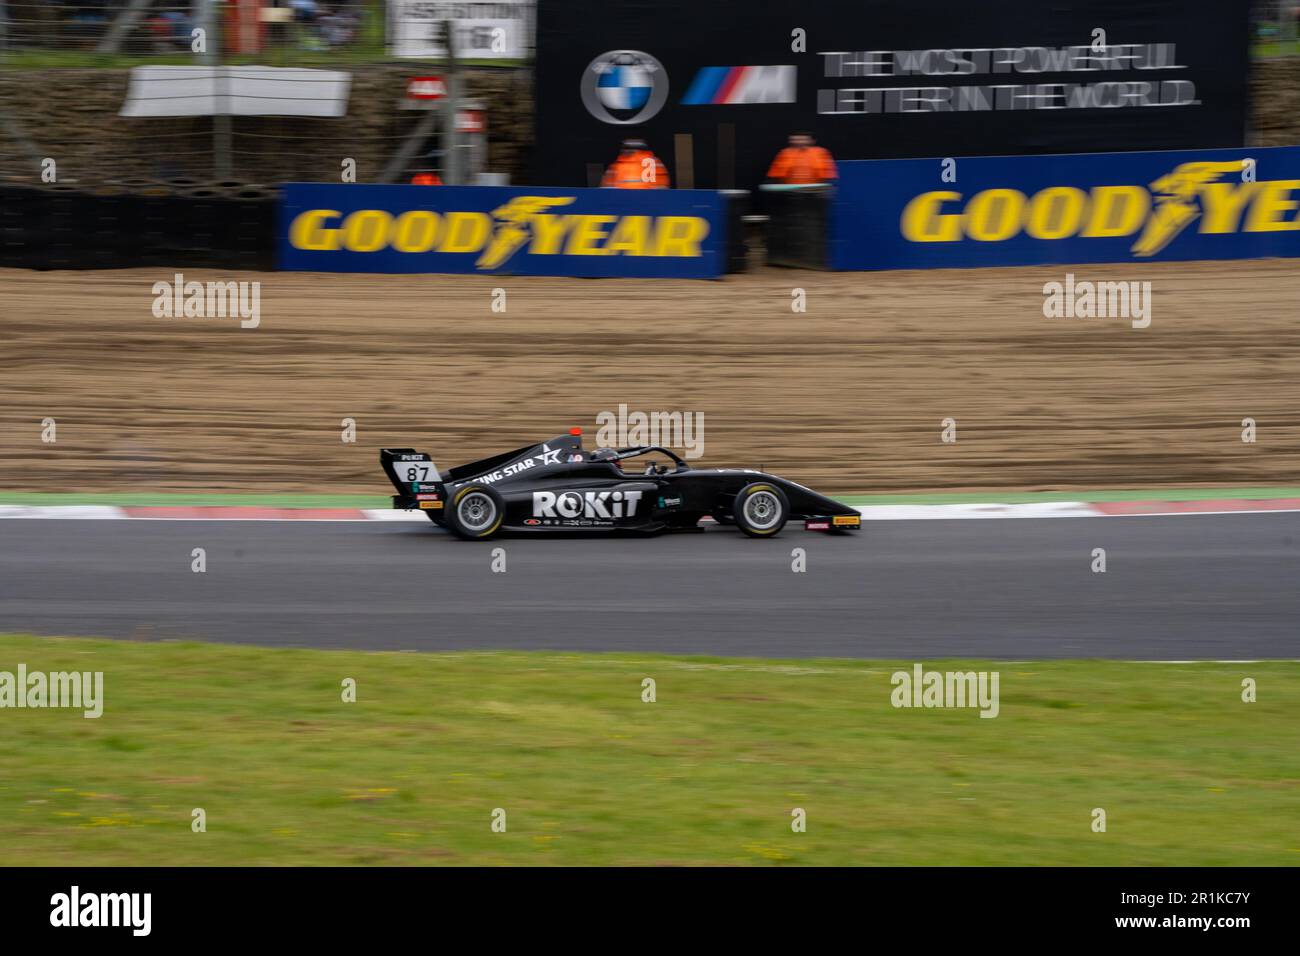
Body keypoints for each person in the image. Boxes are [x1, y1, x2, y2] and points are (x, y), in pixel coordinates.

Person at [766, 133, 837, 185]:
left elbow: (830, 175)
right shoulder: (784, 153)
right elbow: (774, 175)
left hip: (815, 193)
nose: (800, 142)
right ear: (791, 141)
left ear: (811, 141)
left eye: (803, 139)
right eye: (796, 139)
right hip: (789, 193)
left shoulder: (821, 152)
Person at [601, 139, 670, 189]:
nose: (626, 150)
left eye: (628, 148)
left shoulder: (652, 163)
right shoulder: (618, 164)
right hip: (626, 204)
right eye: (626, 148)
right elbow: (607, 187)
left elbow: (661, 187)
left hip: (642, 204)